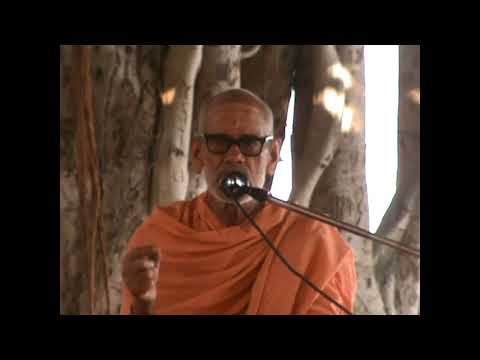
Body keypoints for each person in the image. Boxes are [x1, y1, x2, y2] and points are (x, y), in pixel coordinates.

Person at [121, 88, 357, 315]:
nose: (234, 156)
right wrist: (142, 304)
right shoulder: (161, 238)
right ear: (197, 154)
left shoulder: (312, 244)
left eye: (250, 143)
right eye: (219, 143)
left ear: (273, 156)